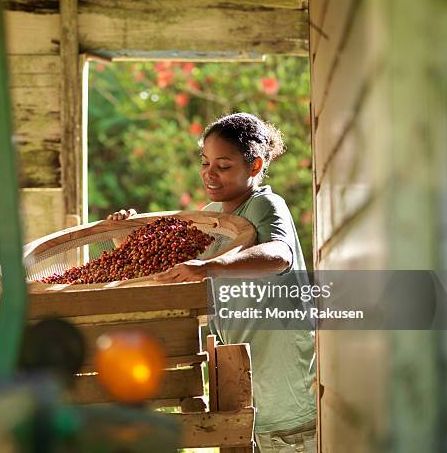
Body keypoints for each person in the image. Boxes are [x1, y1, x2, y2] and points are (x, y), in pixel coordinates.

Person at [108, 113, 316, 452]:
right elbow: (167, 269)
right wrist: (123, 240)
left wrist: (212, 267)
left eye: (223, 165)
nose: (209, 173)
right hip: (243, 396)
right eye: (205, 163)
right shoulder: (212, 216)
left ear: (254, 165)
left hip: (286, 397)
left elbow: (281, 255)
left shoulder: (264, 205)